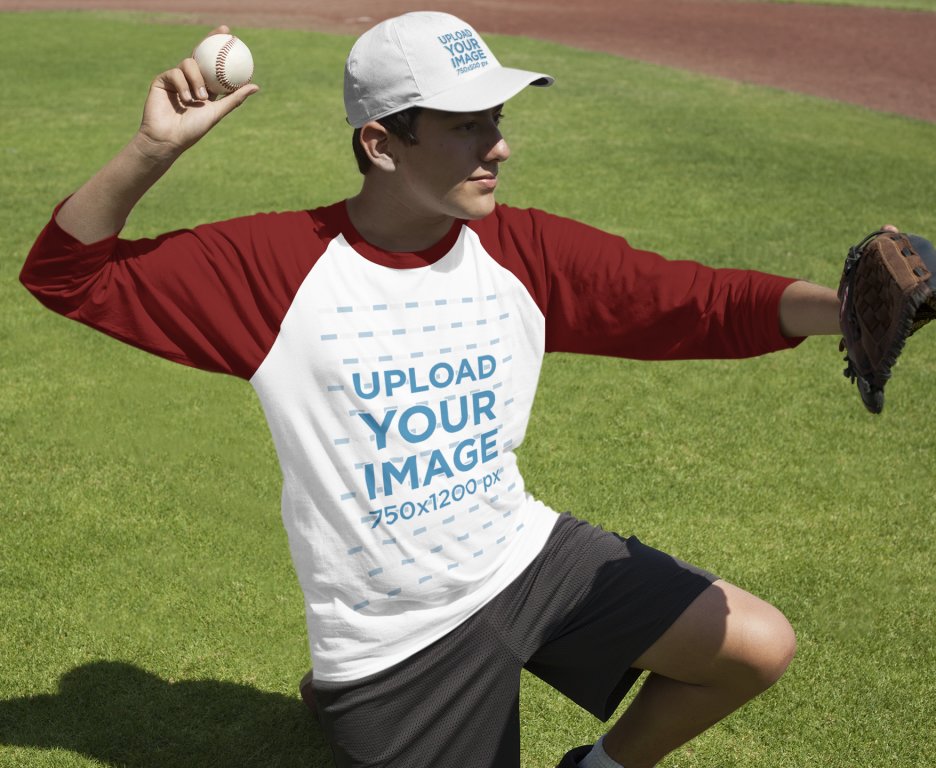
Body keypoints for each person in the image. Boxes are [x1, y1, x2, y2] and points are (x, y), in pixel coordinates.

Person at [21, 11, 864, 768]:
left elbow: (699, 301)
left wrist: (853, 311)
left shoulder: (523, 253)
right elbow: (67, 276)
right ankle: (343, 698)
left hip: (519, 556)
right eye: (465, 127)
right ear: (381, 143)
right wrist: (152, 151)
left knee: (755, 645)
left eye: (494, 120)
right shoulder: (276, 269)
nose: (498, 146)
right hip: (395, 637)